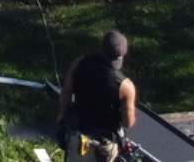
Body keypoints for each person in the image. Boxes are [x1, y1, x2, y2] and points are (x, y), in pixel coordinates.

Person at [58, 29, 140, 160]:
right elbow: (128, 123)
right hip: (103, 146)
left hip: (78, 137)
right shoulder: (126, 86)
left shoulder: (79, 64)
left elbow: (66, 92)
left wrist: (62, 115)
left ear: (101, 48)